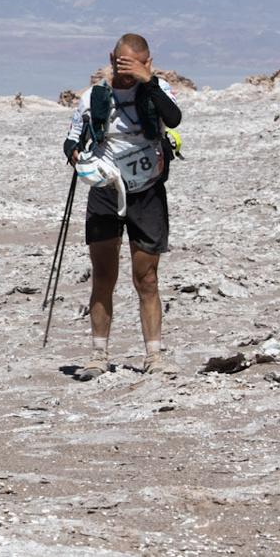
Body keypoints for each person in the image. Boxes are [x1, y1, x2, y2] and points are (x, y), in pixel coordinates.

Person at [61, 33, 182, 378]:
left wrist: (149, 81)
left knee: (147, 278)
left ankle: (154, 357)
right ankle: (98, 356)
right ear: (111, 59)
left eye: (132, 67)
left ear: (147, 62)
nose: (125, 75)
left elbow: (173, 118)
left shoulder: (158, 90)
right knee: (103, 275)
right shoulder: (94, 97)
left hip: (147, 193)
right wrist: (77, 156)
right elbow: (71, 140)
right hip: (105, 192)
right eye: (120, 66)